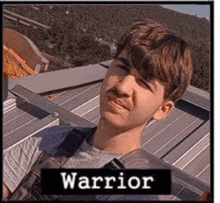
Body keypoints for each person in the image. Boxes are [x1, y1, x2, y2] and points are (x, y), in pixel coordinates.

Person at [3, 19, 193, 200]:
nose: (122, 87)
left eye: (144, 82)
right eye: (122, 68)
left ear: (163, 109)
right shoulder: (53, 139)